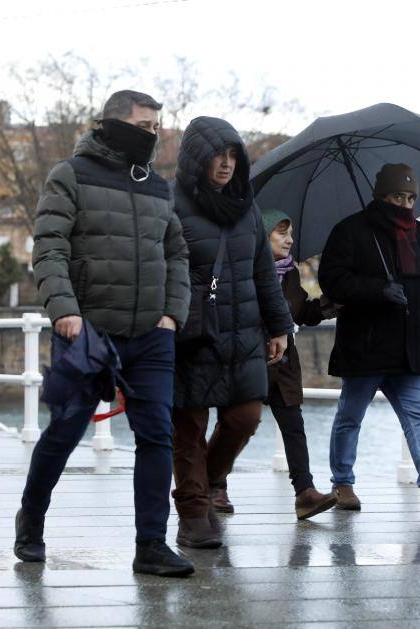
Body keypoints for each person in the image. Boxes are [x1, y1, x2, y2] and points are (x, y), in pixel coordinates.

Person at [15, 90, 194, 577]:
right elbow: (49, 246)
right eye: (144, 126)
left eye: (157, 127)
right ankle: (31, 520)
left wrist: (172, 313)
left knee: (157, 436)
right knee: (66, 432)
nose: (152, 136)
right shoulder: (69, 175)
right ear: (112, 124)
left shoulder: (158, 187)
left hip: (151, 334)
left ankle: (151, 545)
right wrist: (64, 311)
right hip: (88, 330)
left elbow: (178, 254)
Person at [318, 163, 420, 515]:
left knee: (419, 416)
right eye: (397, 196)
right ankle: (342, 483)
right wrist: (378, 289)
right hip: (366, 345)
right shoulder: (350, 231)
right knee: (350, 416)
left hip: (409, 347)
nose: (404, 204)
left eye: (409, 198)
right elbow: (333, 280)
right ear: (381, 196)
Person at [172, 116, 294, 549]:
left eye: (231, 157)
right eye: (216, 157)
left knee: (245, 417)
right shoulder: (171, 204)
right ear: (195, 159)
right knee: (187, 424)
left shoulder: (247, 206)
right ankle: (192, 514)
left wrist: (280, 325)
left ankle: (206, 481)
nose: (225, 165)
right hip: (191, 334)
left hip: (242, 332)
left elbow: (264, 273)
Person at [262, 209, 338, 519]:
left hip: (285, 362)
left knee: (294, 425)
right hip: (252, 357)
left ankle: (305, 493)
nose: (290, 239)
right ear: (263, 236)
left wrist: (332, 304)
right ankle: (217, 487)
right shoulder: (246, 271)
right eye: (282, 233)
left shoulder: (290, 272)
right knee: (238, 423)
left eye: (290, 233)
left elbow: (299, 311)